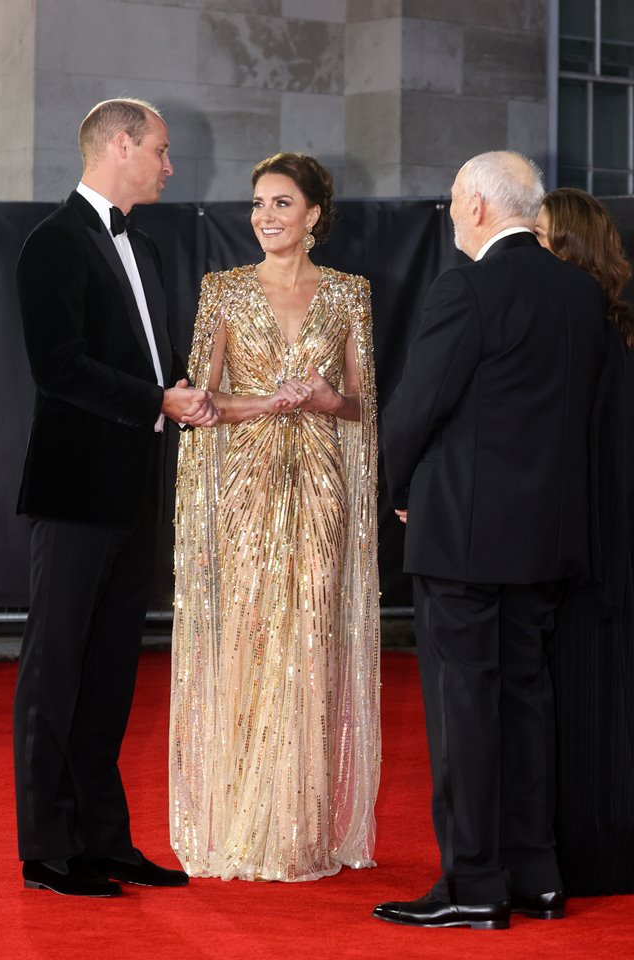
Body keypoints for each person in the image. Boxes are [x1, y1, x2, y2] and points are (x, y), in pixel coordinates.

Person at [375, 152, 609, 930]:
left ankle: (474, 884)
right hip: (545, 539)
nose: (448, 214)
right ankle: (536, 878)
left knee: (465, 711)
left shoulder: (467, 287)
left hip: (465, 541)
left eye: (450, 201)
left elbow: (413, 410)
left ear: (476, 206)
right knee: (525, 703)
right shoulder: (580, 293)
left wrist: (400, 491)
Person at [13, 98, 219, 898]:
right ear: (121, 145)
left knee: (108, 676)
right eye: (162, 152)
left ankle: (104, 839)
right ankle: (47, 847)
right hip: (73, 492)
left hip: (135, 488)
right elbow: (56, 368)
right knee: (54, 669)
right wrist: (157, 401)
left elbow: (155, 366)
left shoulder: (151, 249)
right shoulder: (52, 244)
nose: (170, 166)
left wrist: (187, 395)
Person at [169, 152, 381, 882]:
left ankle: (302, 828)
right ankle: (242, 818)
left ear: (315, 214)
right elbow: (201, 403)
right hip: (248, 486)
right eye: (258, 202)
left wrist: (327, 403)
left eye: (283, 203)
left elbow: (364, 405)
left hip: (322, 483)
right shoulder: (222, 291)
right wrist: (266, 404)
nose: (266, 216)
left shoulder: (351, 295)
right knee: (254, 634)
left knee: (313, 637)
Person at [535, 188, 634, 895]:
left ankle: (586, 854)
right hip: (605, 541)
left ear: (567, 245)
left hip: (586, 546)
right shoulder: (616, 326)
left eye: (537, 235)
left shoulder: (584, 332)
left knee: (581, 696)